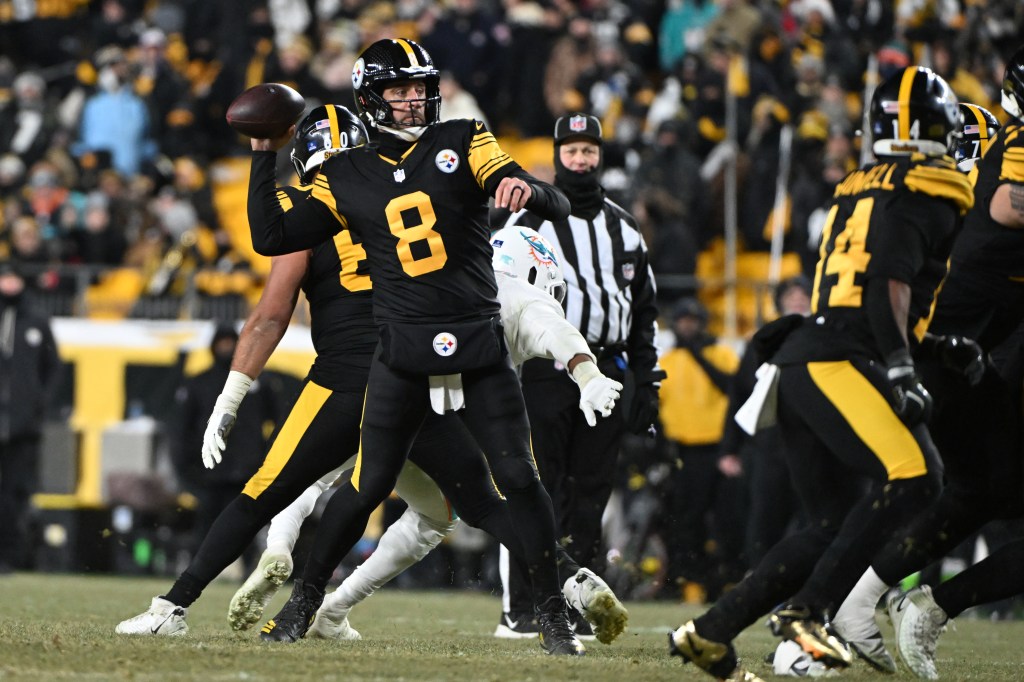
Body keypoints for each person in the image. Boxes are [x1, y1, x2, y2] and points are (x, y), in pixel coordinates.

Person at [246, 39, 587, 655]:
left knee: (518, 476)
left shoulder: (464, 137)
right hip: (402, 350)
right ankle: (302, 604)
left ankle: (551, 616)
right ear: (371, 97)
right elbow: (272, 236)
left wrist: (524, 189)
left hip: (477, 343)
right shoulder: (344, 174)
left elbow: (551, 197)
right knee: (367, 483)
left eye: (419, 87)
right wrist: (263, 154)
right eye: (399, 89)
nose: (413, 98)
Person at [667, 65, 974, 680]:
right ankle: (808, 613)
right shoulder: (926, 188)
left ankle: (710, 631)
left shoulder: (860, 184)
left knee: (830, 524)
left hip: (806, 357)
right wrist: (901, 367)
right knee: (919, 477)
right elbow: (886, 282)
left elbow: (867, 290)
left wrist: (935, 347)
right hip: (839, 358)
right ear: (932, 131)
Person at [227, 223, 626, 645]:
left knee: (334, 481)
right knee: (475, 502)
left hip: (394, 389)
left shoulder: (450, 267)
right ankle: (327, 605)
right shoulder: (516, 295)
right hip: (421, 400)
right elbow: (556, 331)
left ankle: (292, 575)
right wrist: (588, 373)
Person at [828, 58, 1024, 675]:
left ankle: (867, 605)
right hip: (951, 350)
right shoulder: (1007, 153)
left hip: (962, 350)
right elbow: (1008, 205)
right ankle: (828, 608)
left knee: (965, 491)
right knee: (938, 487)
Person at [491, 112, 665, 637]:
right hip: (545, 368)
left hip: (607, 367)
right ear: (557, 155)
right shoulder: (530, 220)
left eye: (589, 150)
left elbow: (644, 311)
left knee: (591, 492)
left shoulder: (625, 227)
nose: (581, 159)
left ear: (600, 156)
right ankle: (522, 605)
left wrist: (647, 380)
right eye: (572, 150)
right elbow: (500, 291)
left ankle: (580, 604)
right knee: (537, 484)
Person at [171, 322, 282, 572]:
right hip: (210, 471)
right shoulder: (199, 383)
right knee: (207, 525)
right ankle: (197, 572)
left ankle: (247, 570)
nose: (226, 348)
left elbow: (279, 421)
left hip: (247, 470)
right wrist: (186, 469)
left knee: (246, 525)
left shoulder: (260, 382)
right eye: (222, 343)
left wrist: (266, 457)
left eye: (231, 343)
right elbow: (181, 430)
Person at [656, 296, 740, 602]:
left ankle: (730, 579)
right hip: (686, 452)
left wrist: (697, 354)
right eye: (683, 321)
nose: (688, 327)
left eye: (693, 321)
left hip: (722, 450)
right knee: (688, 520)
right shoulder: (667, 361)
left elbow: (733, 389)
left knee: (729, 519)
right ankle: (692, 581)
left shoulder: (722, 353)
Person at [0, 260, 59, 573]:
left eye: (12, 278)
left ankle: (12, 557)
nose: (8, 284)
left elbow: (53, 369)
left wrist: (37, 405)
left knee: (15, 494)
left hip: (22, 429)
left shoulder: (36, 320)